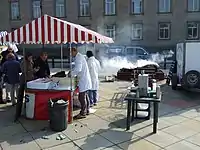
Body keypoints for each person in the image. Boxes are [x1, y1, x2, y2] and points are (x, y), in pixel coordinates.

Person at [68, 48, 92, 119]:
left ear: (74, 51)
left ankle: (83, 113)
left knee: (81, 97)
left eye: (71, 52)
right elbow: (77, 68)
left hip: (83, 80)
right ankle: (87, 110)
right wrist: (72, 71)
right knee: (85, 95)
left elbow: (78, 69)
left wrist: (71, 74)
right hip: (84, 79)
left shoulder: (78, 57)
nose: (70, 54)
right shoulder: (79, 56)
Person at [15, 52, 38, 121]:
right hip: (24, 80)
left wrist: (33, 70)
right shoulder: (24, 62)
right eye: (30, 57)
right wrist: (32, 71)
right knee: (21, 96)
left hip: (29, 79)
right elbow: (24, 71)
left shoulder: (30, 62)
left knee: (28, 96)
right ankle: (18, 114)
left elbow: (30, 71)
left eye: (31, 57)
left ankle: (26, 110)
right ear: (27, 57)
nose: (31, 58)